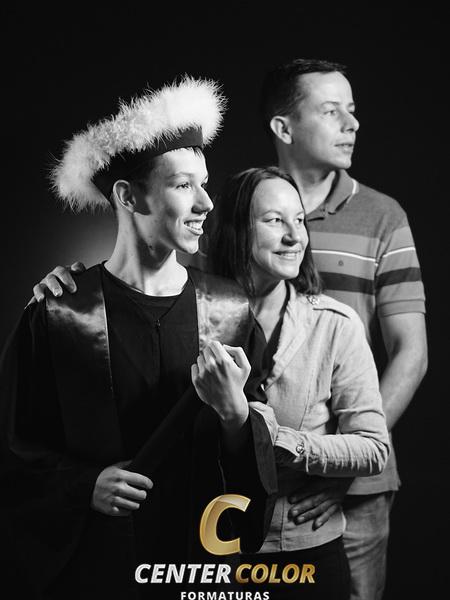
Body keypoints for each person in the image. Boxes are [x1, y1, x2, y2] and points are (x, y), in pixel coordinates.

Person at [0, 78, 277, 600]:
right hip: (97, 572)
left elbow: (258, 455)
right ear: (128, 195)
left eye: (205, 183)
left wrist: (235, 413)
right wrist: (84, 485)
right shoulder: (62, 313)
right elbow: (12, 450)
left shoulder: (230, 310)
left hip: (196, 568)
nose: (206, 203)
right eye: (183, 185)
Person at [259, 59, 428, 599]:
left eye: (351, 111)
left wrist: (343, 463)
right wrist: (80, 281)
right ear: (284, 127)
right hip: (257, 478)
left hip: (356, 490)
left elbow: (411, 353)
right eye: (332, 111)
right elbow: (177, 299)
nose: (352, 124)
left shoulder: (383, 216)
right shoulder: (241, 211)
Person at [206, 166, 390, 599]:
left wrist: (279, 443)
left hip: (305, 556)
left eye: (300, 220)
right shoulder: (192, 316)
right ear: (236, 229)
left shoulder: (336, 326)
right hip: (214, 551)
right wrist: (70, 287)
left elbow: (374, 448)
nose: (295, 236)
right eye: (275, 220)